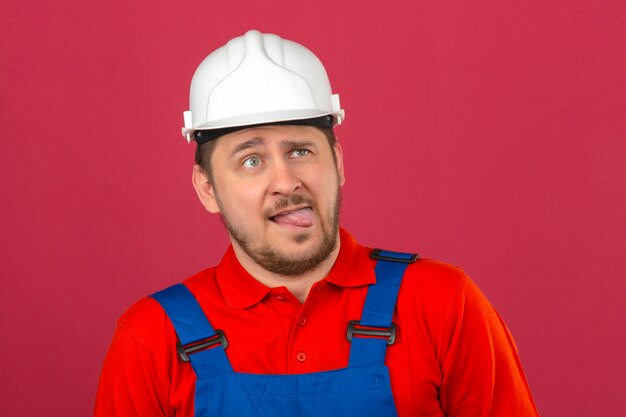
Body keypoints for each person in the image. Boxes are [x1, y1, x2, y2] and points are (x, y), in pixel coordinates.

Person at [95, 30, 539, 417]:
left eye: (301, 151)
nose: (286, 181)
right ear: (207, 187)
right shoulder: (152, 338)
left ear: (338, 162)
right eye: (251, 160)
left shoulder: (443, 304)